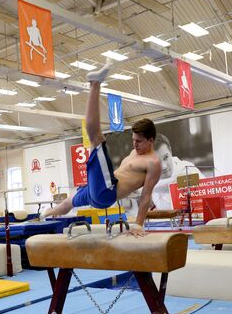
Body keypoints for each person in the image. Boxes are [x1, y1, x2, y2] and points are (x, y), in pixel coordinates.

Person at [40, 61, 162, 235]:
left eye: (139, 141)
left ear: (151, 140)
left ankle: (95, 84)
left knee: (96, 137)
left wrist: (138, 225)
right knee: (66, 204)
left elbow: (146, 195)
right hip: (96, 192)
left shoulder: (153, 163)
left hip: (106, 194)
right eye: (133, 140)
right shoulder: (135, 152)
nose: (135, 144)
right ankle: (41, 217)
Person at [151, 134, 205, 210]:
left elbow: (177, 182)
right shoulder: (149, 175)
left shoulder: (188, 169)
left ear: (170, 151)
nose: (164, 166)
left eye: (166, 157)